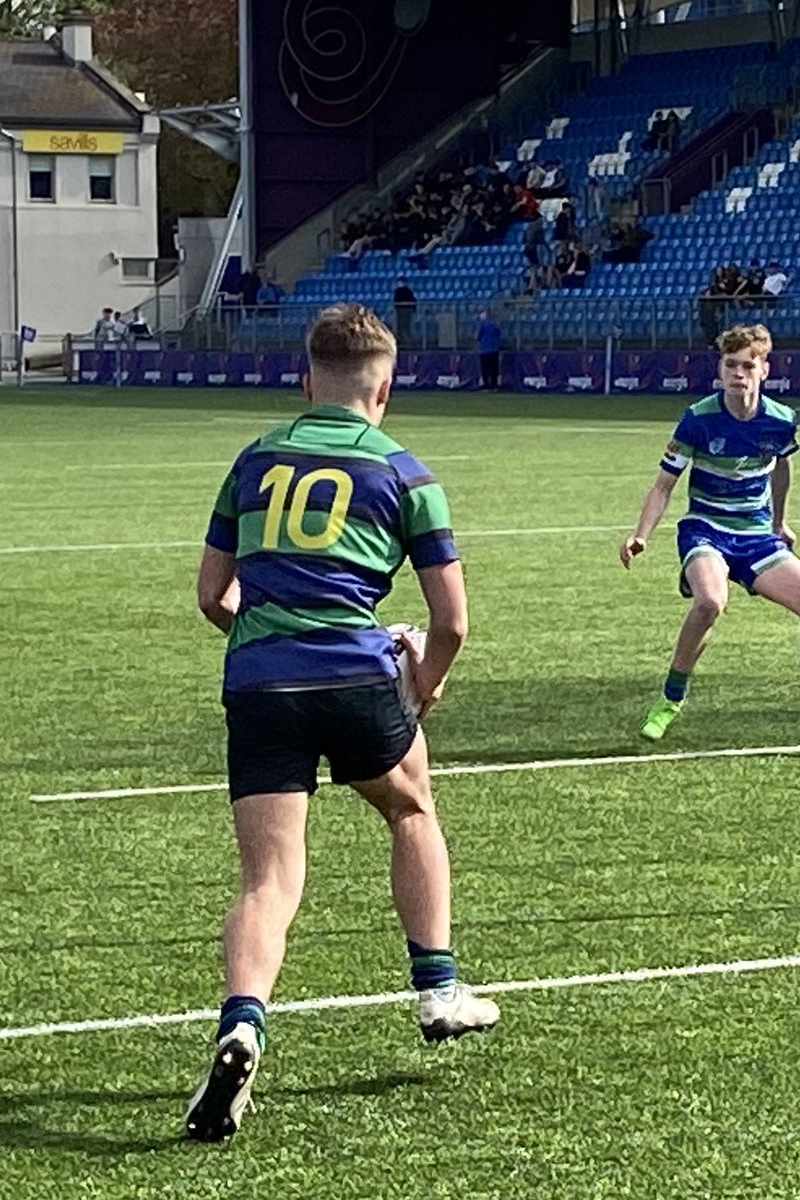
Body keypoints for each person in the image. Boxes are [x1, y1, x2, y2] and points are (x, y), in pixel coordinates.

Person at [187, 304, 499, 1143]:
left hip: (259, 683)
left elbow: (213, 596)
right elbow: (453, 622)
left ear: (304, 381)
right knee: (409, 807)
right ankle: (437, 989)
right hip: (359, 678)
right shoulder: (406, 473)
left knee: (268, 882)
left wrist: (270, 639)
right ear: (385, 388)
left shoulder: (255, 459)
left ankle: (243, 1022)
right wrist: (420, 688)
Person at [618, 323, 800, 749]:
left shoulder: (781, 420)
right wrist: (641, 535)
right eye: (730, 364)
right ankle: (670, 699)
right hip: (706, 528)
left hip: (756, 535)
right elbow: (663, 485)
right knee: (710, 601)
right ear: (720, 369)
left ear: (764, 369)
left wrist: (779, 522)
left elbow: (782, 466)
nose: (738, 373)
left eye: (747, 365)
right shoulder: (698, 419)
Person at [476, 310, 502, 389]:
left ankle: (486, 385)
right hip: (494, 349)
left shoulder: (482, 324)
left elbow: (477, 336)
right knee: (494, 369)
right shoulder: (496, 324)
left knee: (485, 369)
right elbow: (499, 334)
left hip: (484, 350)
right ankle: (494, 385)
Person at [393, 277, 416, 346]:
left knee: (405, 327)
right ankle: (402, 343)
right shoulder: (399, 291)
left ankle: (408, 343)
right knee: (400, 328)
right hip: (400, 311)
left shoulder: (407, 291)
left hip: (404, 311)